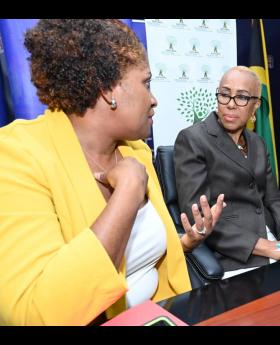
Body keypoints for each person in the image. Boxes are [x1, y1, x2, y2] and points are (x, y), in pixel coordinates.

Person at [0, 19, 225, 326]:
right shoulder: (17, 154)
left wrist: (186, 242)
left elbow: (145, 256)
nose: (154, 98)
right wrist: (129, 193)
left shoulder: (137, 151)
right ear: (108, 91)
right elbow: (36, 314)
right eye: (146, 83)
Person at [174, 66, 280, 279]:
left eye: (242, 97)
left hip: (273, 237)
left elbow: (273, 198)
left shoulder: (258, 142)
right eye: (225, 94)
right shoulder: (193, 139)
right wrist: (266, 246)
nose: (231, 104)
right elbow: (200, 217)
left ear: (256, 106)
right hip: (233, 252)